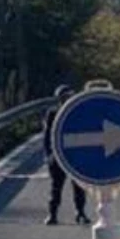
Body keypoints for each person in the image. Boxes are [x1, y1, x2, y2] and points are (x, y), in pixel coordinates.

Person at [42, 84, 90, 226]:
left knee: (79, 186)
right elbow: (47, 136)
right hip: (58, 155)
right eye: (64, 97)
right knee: (56, 186)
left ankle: (80, 212)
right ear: (59, 98)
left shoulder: (79, 111)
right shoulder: (53, 113)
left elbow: (86, 134)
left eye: (69, 96)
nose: (67, 99)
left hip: (76, 155)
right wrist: (49, 154)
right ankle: (52, 214)